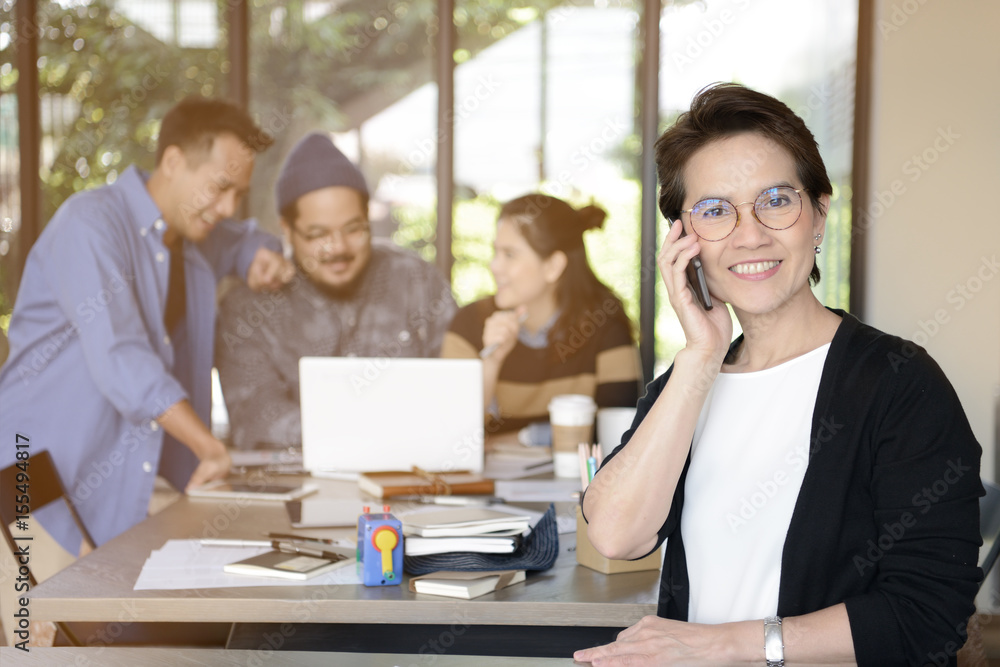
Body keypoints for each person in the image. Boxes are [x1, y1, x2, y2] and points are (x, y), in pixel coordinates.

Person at [574, 83, 983, 667]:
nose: (749, 234)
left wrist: (721, 646)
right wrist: (699, 355)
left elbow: (926, 616)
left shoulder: (899, 383)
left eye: (776, 200)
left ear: (818, 216)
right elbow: (615, 535)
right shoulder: (689, 383)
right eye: (715, 211)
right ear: (684, 245)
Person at [0, 97, 292, 553]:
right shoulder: (91, 224)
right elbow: (123, 359)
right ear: (173, 161)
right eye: (220, 187)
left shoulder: (197, 235)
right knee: (40, 623)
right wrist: (209, 447)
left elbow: (245, 238)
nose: (228, 207)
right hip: (32, 482)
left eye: (239, 193)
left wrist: (258, 253)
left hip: (117, 489)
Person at [215, 132, 457, 450]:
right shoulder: (249, 309)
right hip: (296, 490)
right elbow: (256, 420)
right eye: (318, 235)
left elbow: (457, 393)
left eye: (354, 229)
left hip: (412, 481)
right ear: (287, 230)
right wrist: (378, 430)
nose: (338, 248)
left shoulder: (417, 282)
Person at [441, 194, 641, 436]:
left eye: (510, 255)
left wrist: (527, 438)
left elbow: (620, 432)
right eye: (495, 252)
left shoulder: (605, 327)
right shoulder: (468, 324)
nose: (494, 266)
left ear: (553, 266)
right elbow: (451, 434)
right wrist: (491, 363)